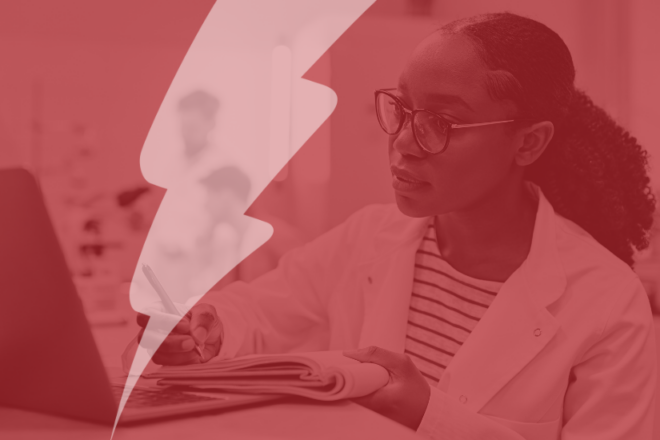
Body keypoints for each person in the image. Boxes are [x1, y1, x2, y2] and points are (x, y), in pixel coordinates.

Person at [136, 13, 657, 439]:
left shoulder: (608, 304)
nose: (404, 142)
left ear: (528, 143)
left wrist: (429, 414)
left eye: (442, 123)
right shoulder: (369, 238)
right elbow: (256, 310)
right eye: (402, 110)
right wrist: (203, 330)